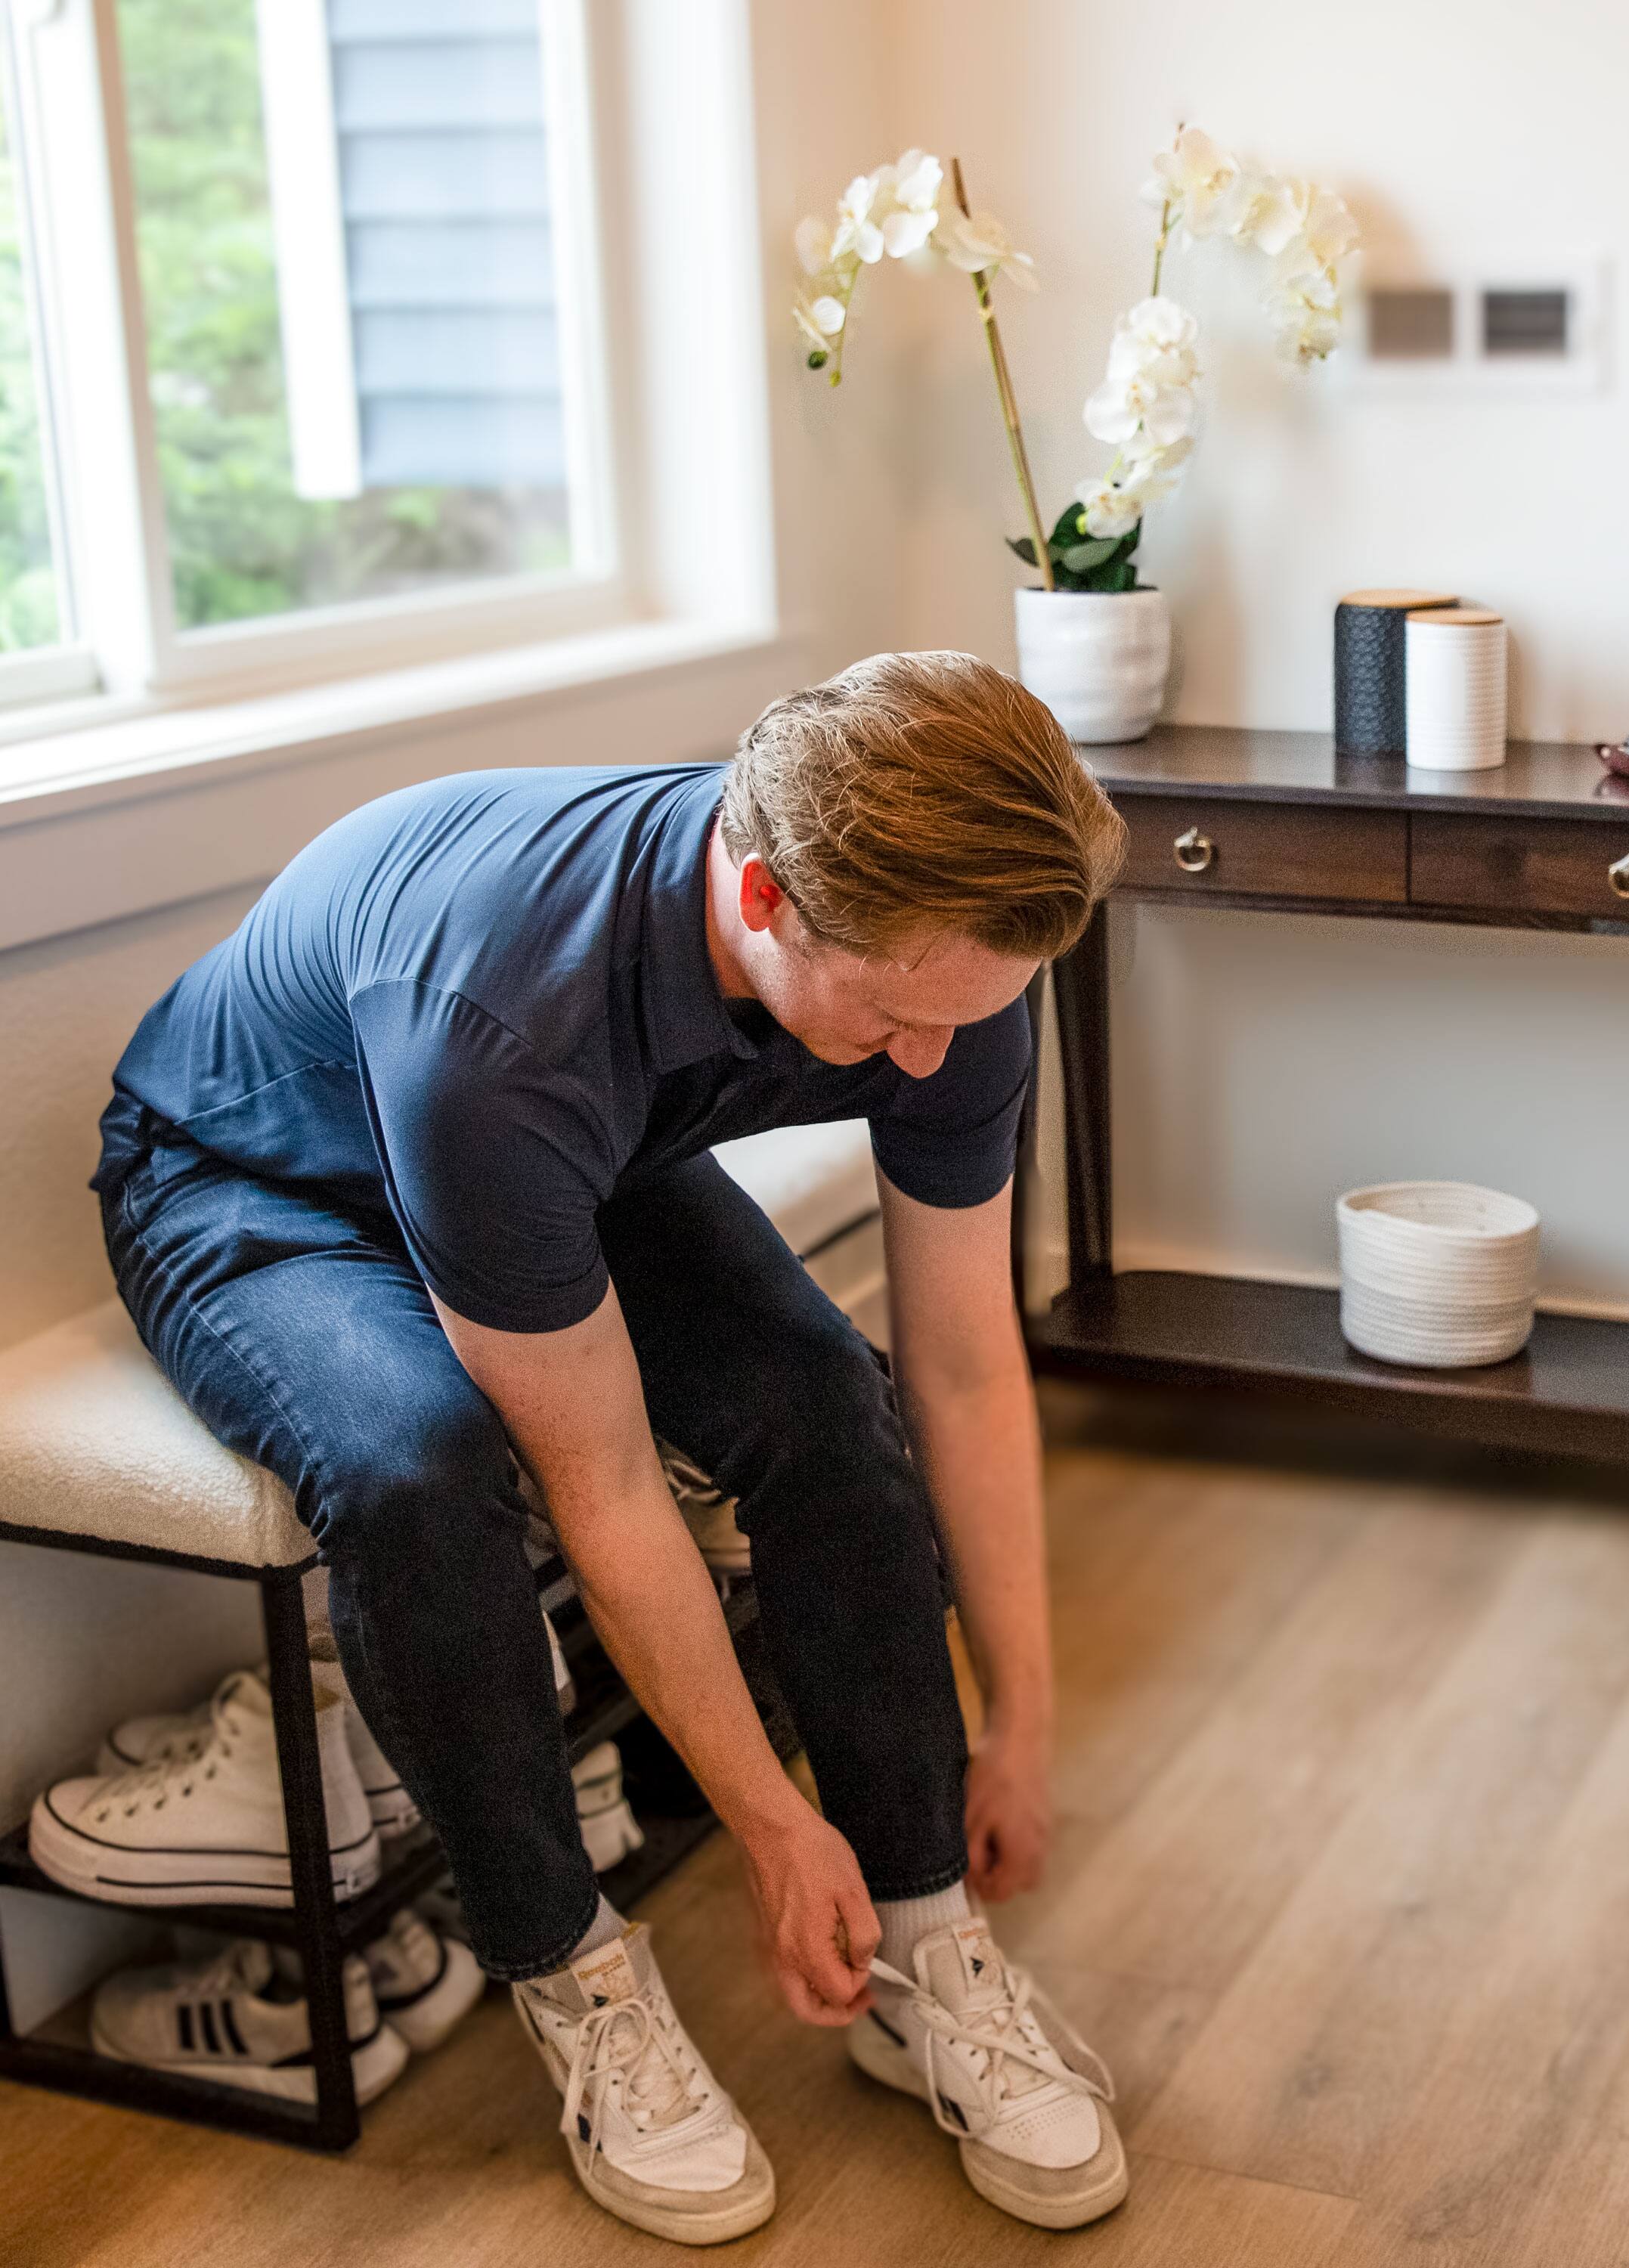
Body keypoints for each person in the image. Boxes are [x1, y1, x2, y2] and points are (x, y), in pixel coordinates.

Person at [84, 652, 1129, 2242]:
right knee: (420, 1469)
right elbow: (605, 1481)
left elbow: (966, 1370)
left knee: (825, 1400)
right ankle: (574, 1974)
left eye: (961, 1020)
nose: (934, 1062)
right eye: (902, 1021)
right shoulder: (506, 1021)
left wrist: (1029, 1715)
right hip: (256, 1185)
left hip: (558, 1164)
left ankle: (927, 1940)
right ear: (767, 897)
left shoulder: (952, 952)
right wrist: (774, 1827)